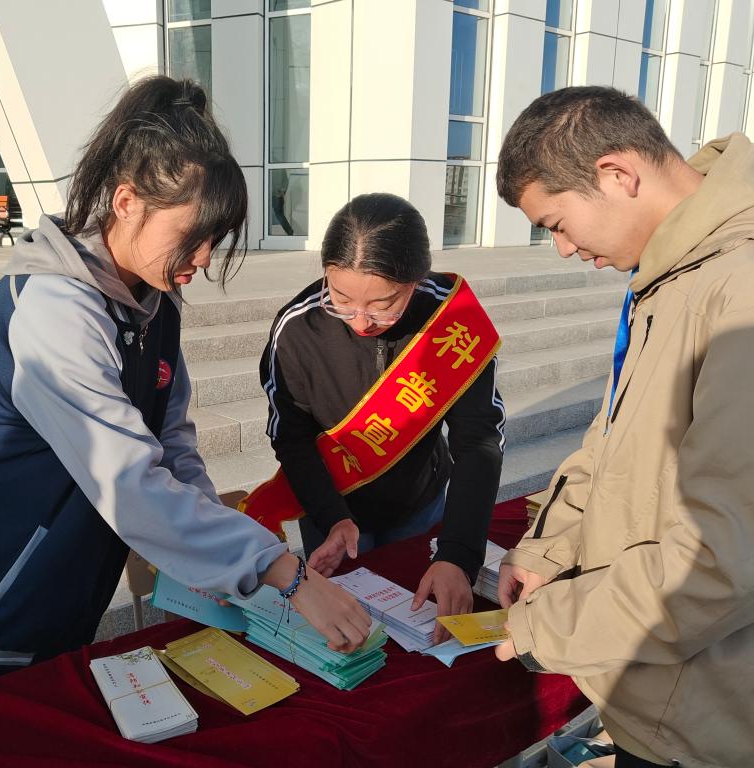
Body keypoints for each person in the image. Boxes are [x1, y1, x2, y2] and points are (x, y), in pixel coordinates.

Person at [0, 76, 370, 702]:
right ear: (126, 202)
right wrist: (284, 571)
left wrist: (214, 561)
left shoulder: (155, 303)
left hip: (61, 585)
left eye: (214, 239)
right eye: (193, 236)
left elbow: (171, 446)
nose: (204, 257)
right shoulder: (54, 308)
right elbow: (128, 480)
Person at [493, 86, 754, 768]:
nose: (562, 249)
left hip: (705, 718)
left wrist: (548, 627)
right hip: (667, 687)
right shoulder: (677, 272)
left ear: (615, 174)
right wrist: (548, 550)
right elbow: (614, 443)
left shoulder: (739, 291)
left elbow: (725, 559)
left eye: (556, 223)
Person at [248, 193, 506, 641]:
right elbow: (292, 438)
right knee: (349, 634)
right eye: (341, 298)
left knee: (418, 625)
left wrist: (458, 554)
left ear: (415, 281)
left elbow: (479, 438)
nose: (361, 322)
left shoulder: (450, 318)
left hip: (422, 502)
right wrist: (331, 516)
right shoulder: (297, 329)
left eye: (384, 304)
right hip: (331, 508)